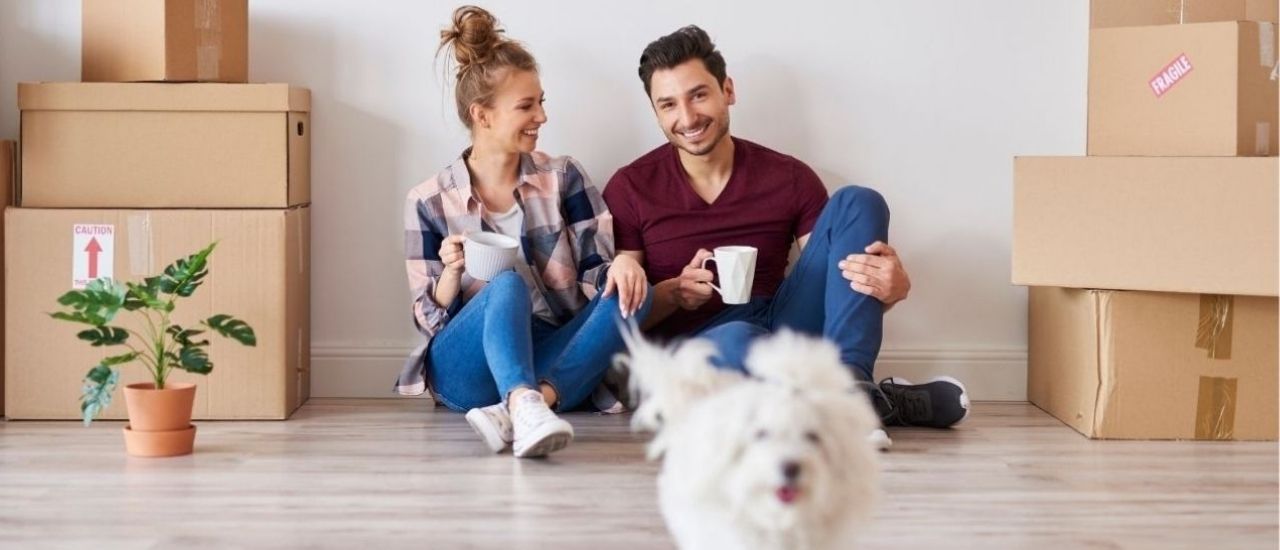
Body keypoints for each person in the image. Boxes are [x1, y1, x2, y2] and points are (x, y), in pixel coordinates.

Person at [602, 26, 969, 437]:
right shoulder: (631, 187)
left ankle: (851, 386)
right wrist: (673, 293)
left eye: (699, 95)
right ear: (655, 112)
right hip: (695, 353)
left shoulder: (788, 177)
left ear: (728, 90)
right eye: (668, 104)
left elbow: (838, 289)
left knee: (858, 201)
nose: (686, 118)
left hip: (780, 324)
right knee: (737, 340)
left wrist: (890, 292)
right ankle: (874, 405)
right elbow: (617, 319)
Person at [396, 6, 651, 458]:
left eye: (542, 101)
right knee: (505, 285)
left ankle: (524, 408)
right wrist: (452, 276)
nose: (542, 116)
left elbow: (597, 273)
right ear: (483, 115)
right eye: (527, 106)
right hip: (466, 367)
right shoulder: (429, 201)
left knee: (635, 292)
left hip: (546, 350)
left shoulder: (564, 177)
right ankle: (525, 400)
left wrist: (623, 270)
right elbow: (425, 320)